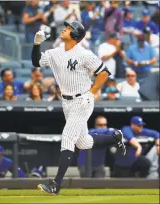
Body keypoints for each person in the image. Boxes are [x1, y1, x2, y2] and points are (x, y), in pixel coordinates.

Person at [32, 20, 126, 195]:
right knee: (84, 142)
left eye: (69, 28)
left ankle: (56, 185)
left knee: (67, 138)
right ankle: (115, 136)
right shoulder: (56, 52)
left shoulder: (84, 54)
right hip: (66, 101)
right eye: (66, 27)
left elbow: (104, 73)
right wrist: (37, 44)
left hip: (82, 100)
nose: (65, 29)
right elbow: (37, 62)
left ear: (75, 34)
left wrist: (93, 91)